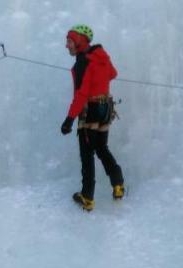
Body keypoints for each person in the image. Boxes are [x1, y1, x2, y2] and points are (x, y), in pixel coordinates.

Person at [58, 24, 125, 212]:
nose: (67, 46)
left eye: (70, 41)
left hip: (90, 112)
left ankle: (87, 197)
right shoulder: (101, 55)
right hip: (105, 109)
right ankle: (118, 184)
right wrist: (98, 81)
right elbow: (113, 73)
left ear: (79, 41)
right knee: (102, 148)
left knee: (87, 155)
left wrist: (69, 120)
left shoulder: (82, 62)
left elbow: (81, 94)